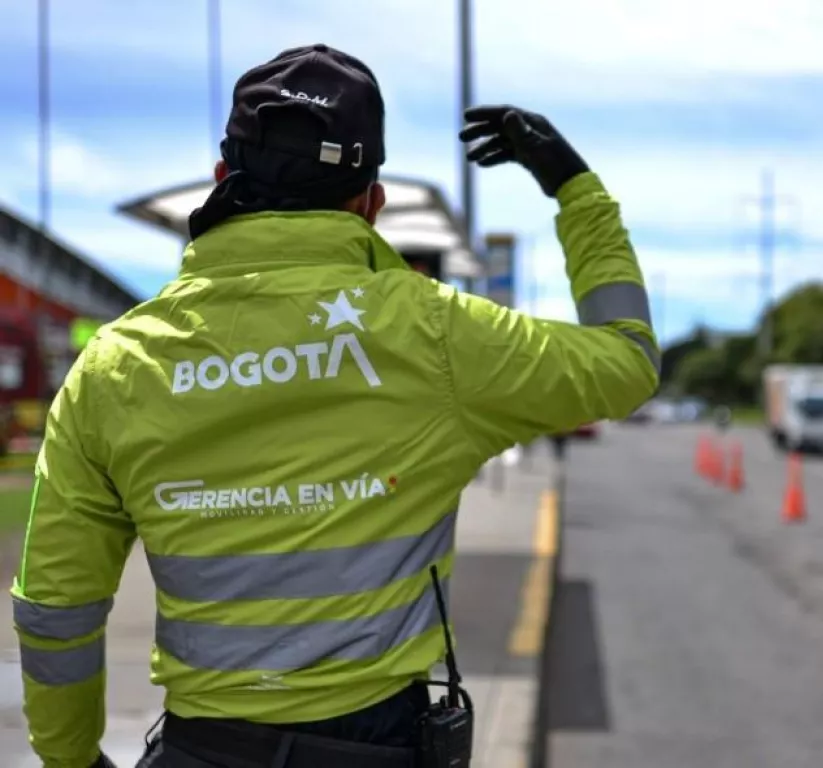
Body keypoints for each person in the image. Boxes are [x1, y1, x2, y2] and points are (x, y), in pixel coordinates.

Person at [10, 44, 658, 768]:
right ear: (370, 204)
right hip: (379, 747)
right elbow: (627, 361)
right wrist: (575, 189)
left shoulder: (114, 365)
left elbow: (55, 603)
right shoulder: (436, 336)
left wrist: (71, 758)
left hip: (200, 750)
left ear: (224, 177)